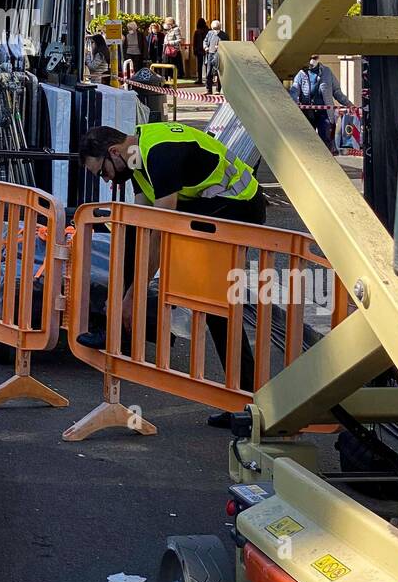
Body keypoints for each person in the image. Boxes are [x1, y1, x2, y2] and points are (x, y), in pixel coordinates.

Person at [78, 122, 266, 426]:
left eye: (103, 172)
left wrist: (133, 294)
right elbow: (141, 228)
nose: (107, 179)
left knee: (213, 299)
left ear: (114, 152)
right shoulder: (136, 161)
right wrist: (124, 294)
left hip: (238, 206)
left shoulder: (159, 154)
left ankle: (247, 403)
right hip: (212, 207)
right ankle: (119, 327)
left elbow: (159, 233)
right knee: (212, 303)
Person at [290, 55, 352, 153]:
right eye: (310, 58)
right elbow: (294, 90)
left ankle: (326, 160)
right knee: (307, 140)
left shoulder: (327, 72)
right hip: (307, 112)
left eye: (315, 58)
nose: (312, 61)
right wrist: (292, 103)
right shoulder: (301, 73)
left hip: (324, 112)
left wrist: (348, 104)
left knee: (325, 138)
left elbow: (336, 91)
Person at [202, 19, 227, 96]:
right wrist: (206, 47)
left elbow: (227, 45)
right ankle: (208, 89)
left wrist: (220, 47)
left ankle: (217, 90)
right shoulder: (210, 33)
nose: (215, 31)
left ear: (219, 27)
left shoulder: (224, 35)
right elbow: (205, 41)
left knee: (218, 72)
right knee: (208, 72)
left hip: (219, 55)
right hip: (210, 54)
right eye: (213, 29)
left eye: (216, 29)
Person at [192, 17, 208, 83]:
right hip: (206, 49)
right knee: (207, 65)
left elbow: (194, 42)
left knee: (199, 65)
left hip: (199, 50)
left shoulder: (197, 31)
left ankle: (200, 79)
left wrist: (194, 50)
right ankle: (208, 78)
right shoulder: (208, 31)